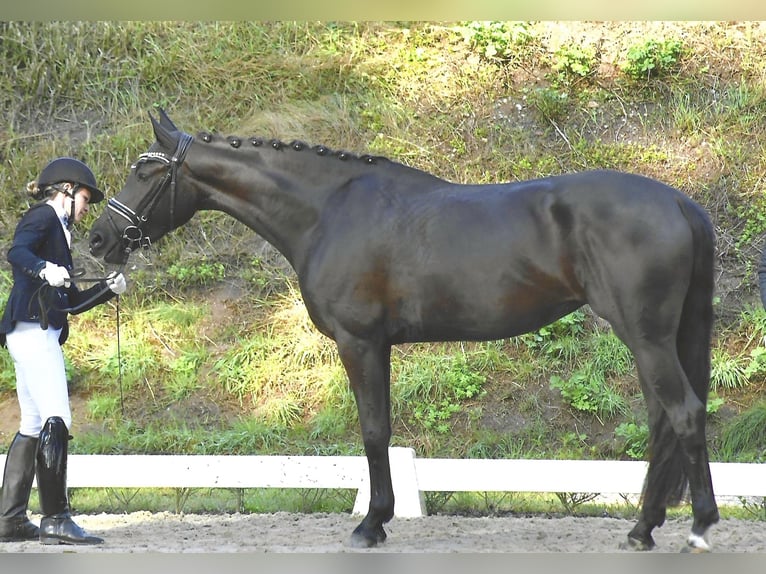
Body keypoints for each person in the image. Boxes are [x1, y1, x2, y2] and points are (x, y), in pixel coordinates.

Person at [0, 157, 127, 545]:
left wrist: (108, 288)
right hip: (33, 331)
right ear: (67, 191)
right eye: (85, 199)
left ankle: (10, 520)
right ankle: (56, 518)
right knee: (58, 416)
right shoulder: (43, 217)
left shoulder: (61, 233)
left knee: (34, 424)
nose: (87, 209)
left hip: (33, 332)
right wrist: (42, 268)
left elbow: (71, 301)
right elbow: (16, 252)